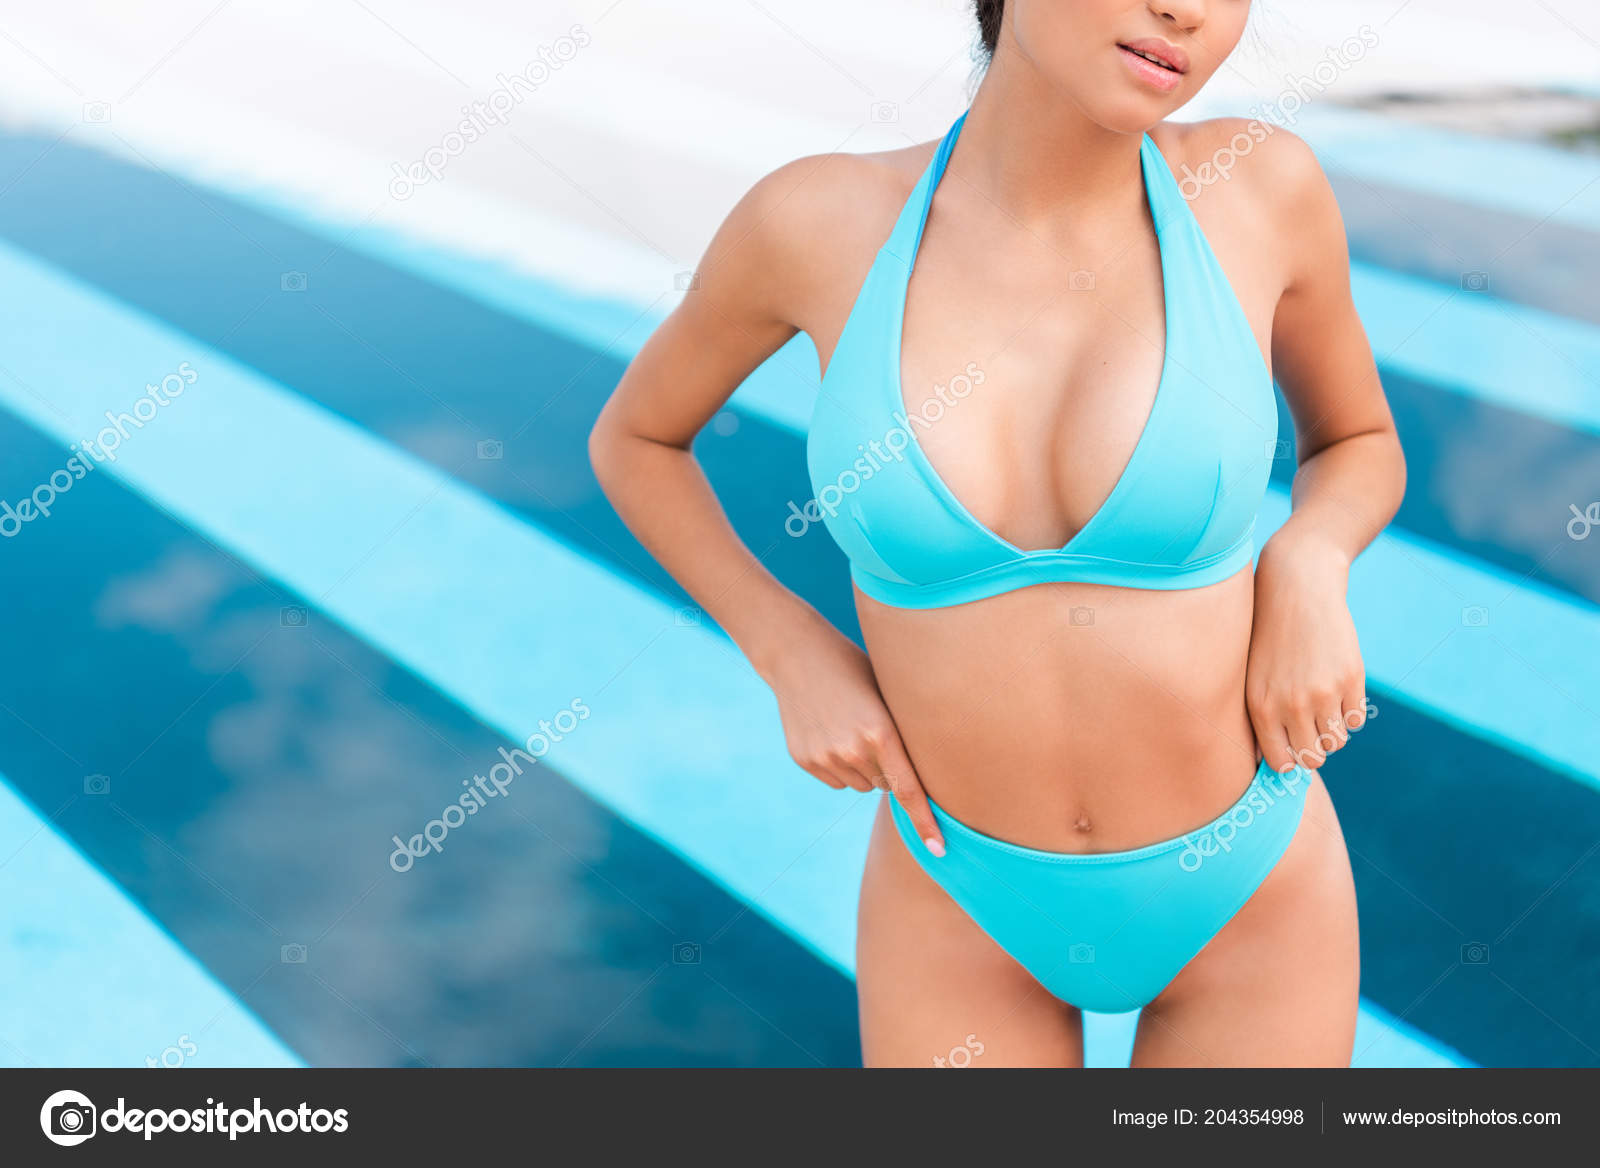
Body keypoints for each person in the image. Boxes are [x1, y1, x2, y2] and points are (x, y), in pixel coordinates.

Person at [590, 0, 1404, 1066]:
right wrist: (786, 648)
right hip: (958, 895)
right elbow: (639, 438)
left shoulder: (1259, 189)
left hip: (1246, 877)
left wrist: (1308, 561)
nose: (1189, 10)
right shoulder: (818, 221)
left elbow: (1357, 437)